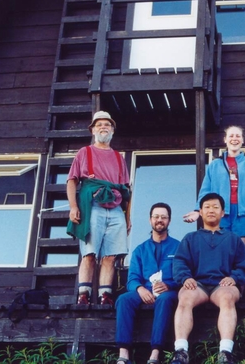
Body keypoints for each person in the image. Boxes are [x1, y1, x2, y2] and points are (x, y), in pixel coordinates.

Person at [170, 193, 245, 364]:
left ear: (223, 213)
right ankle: (181, 351)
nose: (211, 210)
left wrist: (234, 277)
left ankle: (225, 352)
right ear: (200, 212)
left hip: (222, 285)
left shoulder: (233, 239)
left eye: (215, 207)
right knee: (184, 296)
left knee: (228, 297)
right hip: (198, 285)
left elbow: (244, 267)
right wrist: (185, 278)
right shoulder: (190, 238)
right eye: (207, 207)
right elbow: (179, 263)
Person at [67, 111, 131, 306]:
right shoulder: (84, 152)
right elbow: (71, 181)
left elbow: (127, 189)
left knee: (111, 255)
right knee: (89, 252)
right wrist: (73, 207)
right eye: (99, 124)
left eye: (107, 124)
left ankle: (105, 295)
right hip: (93, 205)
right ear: (93, 129)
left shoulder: (119, 158)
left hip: (116, 208)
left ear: (112, 129)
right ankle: (83, 294)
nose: (104, 127)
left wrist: (127, 217)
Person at [183, 125, 245, 244]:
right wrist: (197, 210)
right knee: (221, 250)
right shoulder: (215, 165)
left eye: (238, 136)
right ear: (225, 139)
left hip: (243, 213)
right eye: (231, 136)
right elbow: (206, 191)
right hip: (221, 212)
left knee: (239, 251)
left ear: (242, 140)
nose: (234, 139)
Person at [115, 202, 180, 364]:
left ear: (169, 221)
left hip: (168, 292)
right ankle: (123, 355)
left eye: (163, 217)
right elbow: (132, 279)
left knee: (165, 300)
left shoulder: (178, 247)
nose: (160, 220)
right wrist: (140, 289)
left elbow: (183, 276)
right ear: (150, 220)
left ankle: (155, 354)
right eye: (156, 216)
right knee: (124, 299)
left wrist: (169, 285)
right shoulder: (140, 250)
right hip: (145, 291)